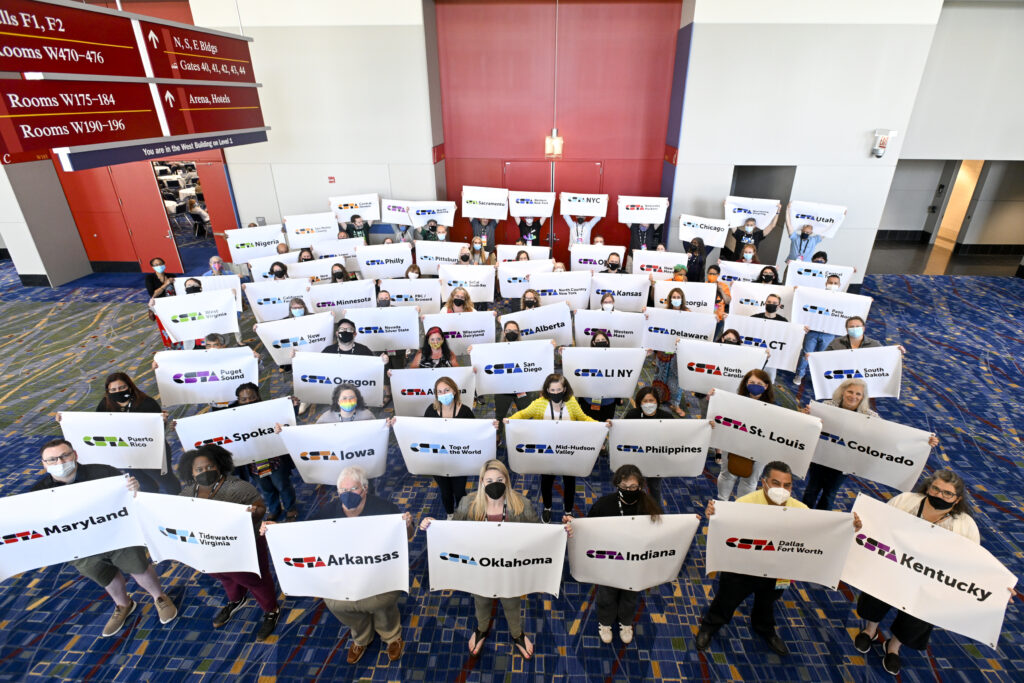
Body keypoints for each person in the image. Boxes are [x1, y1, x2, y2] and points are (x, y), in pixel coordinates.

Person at [695, 461, 862, 656]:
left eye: (787, 485)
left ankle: (764, 629)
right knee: (725, 601)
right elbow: (724, 532)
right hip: (742, 569)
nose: (782, 489)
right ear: (764, 483)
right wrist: (714, 515)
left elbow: (823, 536)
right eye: (776, 483)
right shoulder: (744, 504)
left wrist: (851, 528)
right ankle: (709, 627)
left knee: (767, 604)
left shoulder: (802, 511)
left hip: (778, 571)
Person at [419, 459, 570, 660]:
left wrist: (561, 531)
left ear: (507, 481)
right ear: (481, 481)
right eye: (489, 480)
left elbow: (539, 534)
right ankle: (482, 628)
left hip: (510, 567)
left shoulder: (521, 504)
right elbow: (452, 532)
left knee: (511, 601)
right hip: (479, 566)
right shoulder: (468, 503)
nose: (494, 483)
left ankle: (517, 634)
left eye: (500, 479)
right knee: (480, 600)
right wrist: (432, 525)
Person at [264, 466, 413, 664]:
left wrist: (408, 525)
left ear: (365, 489)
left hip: (376, 572)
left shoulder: (385, 510)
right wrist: (278, 531)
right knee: (338, 604)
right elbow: (305, 536)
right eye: (342, 491)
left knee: (382, 603)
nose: (347, 494)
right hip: (342, 574)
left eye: (353, 489)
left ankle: (391, 635)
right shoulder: (327, 513)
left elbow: (406, 538)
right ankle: (361, 636)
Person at [31, 439, 178, 637]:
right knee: (105, 577)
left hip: (117, 535)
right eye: (52, 459)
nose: (60, 462)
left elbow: (131, 500)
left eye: (65, 456)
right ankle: (123, 604)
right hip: (81, 547)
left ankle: (159, 597)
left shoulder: (103, 473)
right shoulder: (38, 492)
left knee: (139, 568)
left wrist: (135, 490)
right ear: (44, 463)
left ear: (75, 455)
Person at [852, 470, 982, 675]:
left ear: (957, 500)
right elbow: (878, 526)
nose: (940, 495)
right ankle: (870, 630)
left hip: (929, 581)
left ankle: (893, 647)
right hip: (892, 566)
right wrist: (860, 526)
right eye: (936, 489)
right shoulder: (905, 501)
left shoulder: (966, 525)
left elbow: (973, 561)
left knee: (918, 616)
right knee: (876, 598)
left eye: (947, 494)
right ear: (928, 487)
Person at [177, 444, 280, 641]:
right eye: (199, 469)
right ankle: (237, 599)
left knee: (254, 578)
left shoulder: (238, 487)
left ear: (219, 465)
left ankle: (271, 609)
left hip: (245, 543)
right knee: (224, 575)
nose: (205, 472)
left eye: (209, 467)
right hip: (210, 546)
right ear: (190, 471)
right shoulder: (188, 492)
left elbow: (260, 507)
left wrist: (253, 511)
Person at [798, 380, 940, 510]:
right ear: (842, 392)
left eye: (858, 394)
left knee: (830, 493)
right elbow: (811, 425)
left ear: (862, 397)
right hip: (821, 457)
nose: (853, 396)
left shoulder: (869, 416)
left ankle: (820, 520)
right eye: (850, 392)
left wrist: (924, 441)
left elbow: (891, 435)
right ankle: (801, 515)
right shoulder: (826, 406)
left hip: (844, 463)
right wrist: (806, 415)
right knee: (812, 488)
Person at [564, 464, 661, 645]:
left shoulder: (649, 506)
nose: (629, 491)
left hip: (635, 563)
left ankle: (625, 622)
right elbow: (589, 529)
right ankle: (605, 622)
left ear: (640, 486)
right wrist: (574, 524)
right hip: (609, 561)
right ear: (617, 485)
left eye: (633, 487)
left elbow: (662, 532)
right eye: (624, 487)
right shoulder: (604, 505)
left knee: (631, 596)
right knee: (606, 595)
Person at [507, 373, 597, 522]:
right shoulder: (540, 403)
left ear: (565, 389)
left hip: (568, 450)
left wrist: (601, 425)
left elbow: (584, 419)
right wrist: (509, 420)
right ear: (547, 390)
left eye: (559, 390)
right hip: (547, 451)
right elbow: (523, 414)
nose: (556, 393)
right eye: (552, 390)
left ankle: (568, 510)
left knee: (569, 483)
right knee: (546, 481)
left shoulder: (572, 402)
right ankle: (547, 507)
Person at [94, 372, 180, 494]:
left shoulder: (146, 403)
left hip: (151, 452)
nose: (117, 391)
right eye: (113, 389)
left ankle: (177, 499)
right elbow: (95, 425)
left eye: (121, 388)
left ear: (129, 387)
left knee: (165, 480)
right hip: (126, 453)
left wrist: (162, 422)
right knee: (143, 483)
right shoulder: (105, 404)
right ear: (108, 391)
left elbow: (158, 430)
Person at [232, 383, 297, 522]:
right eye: (244, 399)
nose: (248, 401)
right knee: (266, 488)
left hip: (275, 459)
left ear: (258, 396)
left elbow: (288, 421)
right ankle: (274, 510)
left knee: (282, 485)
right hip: (255, 463)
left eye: (252, 397)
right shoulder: (231, 416)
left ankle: (290, 508)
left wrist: (293, 406)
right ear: (238, 400)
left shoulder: (271, 409)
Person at [714, 370, 778, 501]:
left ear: (766, 386)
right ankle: (722, 501)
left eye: (759, 383)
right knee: (727, 474)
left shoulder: (775, 408)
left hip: (759, 449)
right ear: (746, 383)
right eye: (752, 382)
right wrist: (714, 396)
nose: (755, 385)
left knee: (750, 480)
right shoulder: (735, 400)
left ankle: (741, 505)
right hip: (734, 443)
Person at [422, 376, 479, 517]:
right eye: (439, 391)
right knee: (446, 491)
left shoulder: (465, 411)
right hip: (439, 459)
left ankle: (462, 513)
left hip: (459, 459)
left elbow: (476, 433)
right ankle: (450, 514)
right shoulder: (431, 410)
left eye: (446, 390)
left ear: (454, 391)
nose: (443, 394)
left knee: (459, 491)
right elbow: (423, 431)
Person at [622, 388, 675, 501]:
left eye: (651, 400)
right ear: (639, 403)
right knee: (633, 486)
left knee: (655, 488)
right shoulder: (632, 415)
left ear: (657, 402)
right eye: (645, 401)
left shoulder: (667, 417)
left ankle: (655, 511)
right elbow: (623, 433)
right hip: (636, 459)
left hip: (656, 460)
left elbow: (679, 433)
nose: (648, 404)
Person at [793, 275, 841, 385]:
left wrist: (867, 301)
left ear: (839, 285)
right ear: (826, 283)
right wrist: (798, 291)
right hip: (813, 331)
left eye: (835, 283)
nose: (832, 285)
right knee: (806, 353)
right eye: (830, 282)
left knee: (823, 356)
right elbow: (805, 302)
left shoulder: (843, 299)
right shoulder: (817, 295)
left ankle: (818, 378)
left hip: (829, 333)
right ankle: (799, 374)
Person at [650, 288, 688, 417]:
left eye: (678, 297)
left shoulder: (688, 313)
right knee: (660, 375)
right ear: (670, 298)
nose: (676, 299)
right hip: (664, 350)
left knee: (676, 378)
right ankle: (657, 398)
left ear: (682, 299)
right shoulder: (664, 312)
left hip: (679, 351)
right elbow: (655, 328)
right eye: (674, 297)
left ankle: (675, 404)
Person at [492, 320, 534, 422]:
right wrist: (473, 351)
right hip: (502, 387)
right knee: (500, 416)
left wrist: (550, 346)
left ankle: (527, 436)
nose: (512, 333)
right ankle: (497, 436)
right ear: (504, 332)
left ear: (518, 333)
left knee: (527, 415)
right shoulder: (495, 349)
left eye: (515, 331)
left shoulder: (526, 348)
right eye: (509, 330)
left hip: (521, 386)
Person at [579, 331, 619, 422]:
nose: (600, 341)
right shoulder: (585, 357)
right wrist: (564, 354)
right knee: (588, 424)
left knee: (605, 425)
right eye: (598, 340)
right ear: (593, 343)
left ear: (607, 342)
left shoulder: (615, 357)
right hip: (589, 400)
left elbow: (620, 377)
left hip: (608, 401)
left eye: (603, 339)